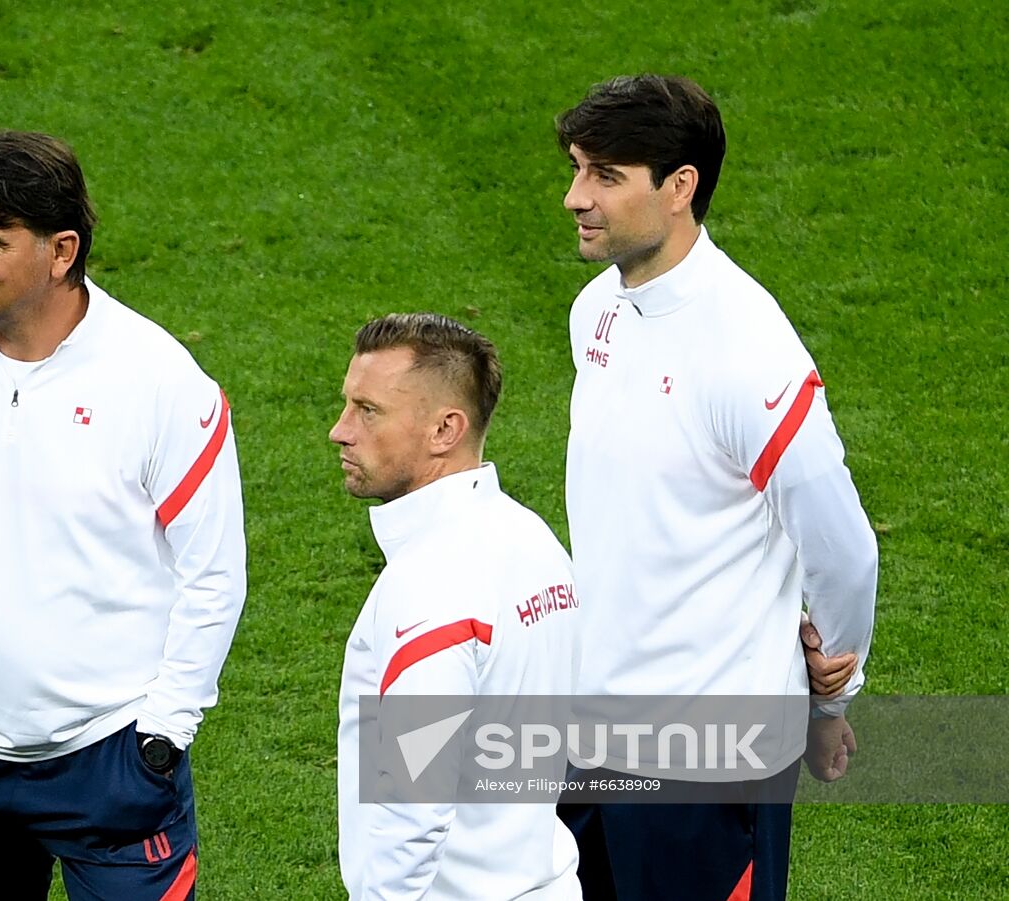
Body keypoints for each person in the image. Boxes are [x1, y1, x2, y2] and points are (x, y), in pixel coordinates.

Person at [0, 131, 246, 900]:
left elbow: (214, 573)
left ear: (61, 249)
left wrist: (164, 732)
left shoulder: (160, 379)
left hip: (110, 758)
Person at [554, 75, 878, 900]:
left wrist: (831, 697)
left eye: (603, 176)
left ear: (680, 187)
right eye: (576, 168)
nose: (573, 198)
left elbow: (843, 550)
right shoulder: (594, 311)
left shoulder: (748, 351)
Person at [331, 313, 583, 900]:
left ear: (445, 429)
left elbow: (413, 809)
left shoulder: (429, 585)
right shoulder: (533, 539)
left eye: (368, 411)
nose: (340, 431)